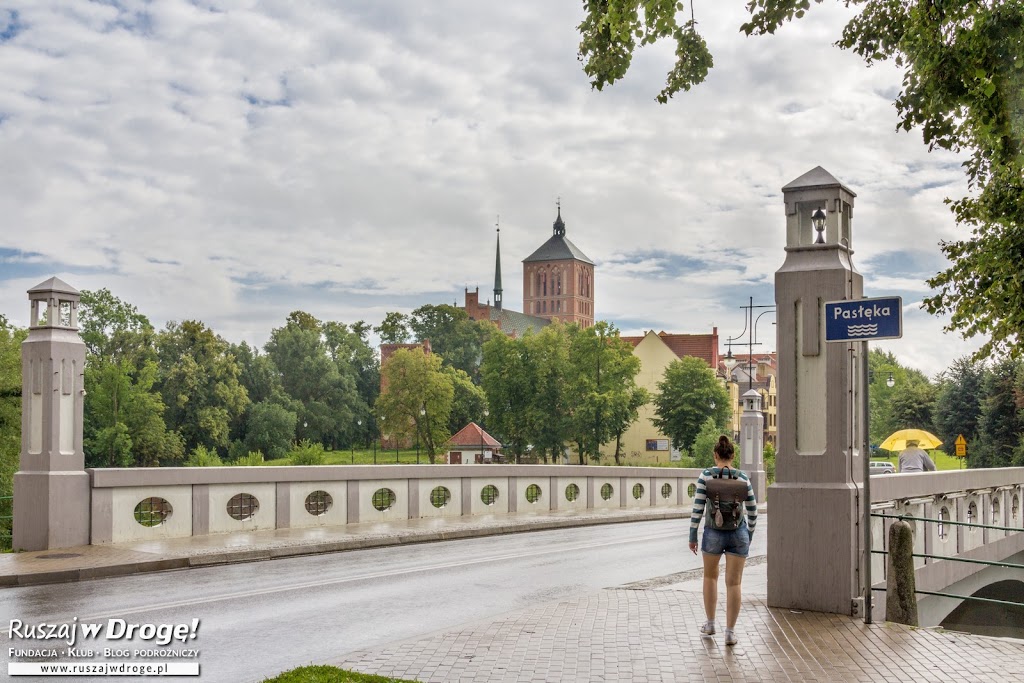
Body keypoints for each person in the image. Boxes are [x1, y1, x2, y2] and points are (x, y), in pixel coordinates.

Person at [688, 435, 757, 646]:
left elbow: (698, 508)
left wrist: (693, 535)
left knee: (710, 577)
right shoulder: (743, 478)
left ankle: (710, 624)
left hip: (713, 532)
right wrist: (749, 535)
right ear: (733, 456)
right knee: (734, 583)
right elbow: (753, 511)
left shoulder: (706, 476)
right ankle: (730, 632)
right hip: (738, 533)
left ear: (715, 455)